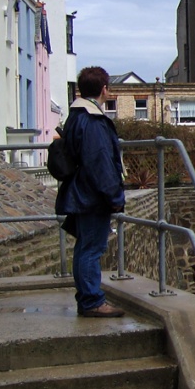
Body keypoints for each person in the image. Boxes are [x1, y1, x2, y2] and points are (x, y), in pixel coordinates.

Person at [55, 66, 126, 318]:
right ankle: (92, 301)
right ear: (104, 90)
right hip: (91, 196)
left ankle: (88, 299)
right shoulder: (93, 121)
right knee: (91, 249)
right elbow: (100, 163)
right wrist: (115, 197)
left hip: (81, 192)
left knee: (85, 247)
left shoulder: (76, 116)